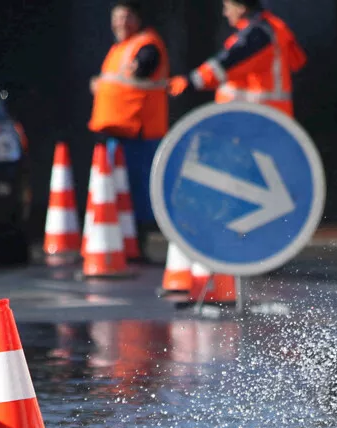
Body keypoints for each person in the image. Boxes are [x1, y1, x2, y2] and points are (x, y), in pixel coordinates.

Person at [89, 1, 169, 258]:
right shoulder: (119, 49)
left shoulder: (146, 44)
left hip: (139, 134)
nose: (121, 23)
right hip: (119, 134)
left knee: (136, 194)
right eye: (117, 17)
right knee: (119, 192)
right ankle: (124, 243)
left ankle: (137, 244)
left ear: (138, 19)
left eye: (127, 17)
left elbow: (145, 65)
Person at [168, 0, 307, 117]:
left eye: (227, 7)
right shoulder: (272, 28)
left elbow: (227, 63)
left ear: (241, 8)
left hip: (256, 121)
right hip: (266, 118)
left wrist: (190, 81)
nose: (225, 13)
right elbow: (297, 62)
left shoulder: (257, 35)